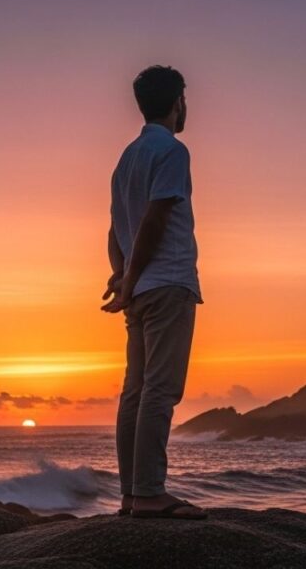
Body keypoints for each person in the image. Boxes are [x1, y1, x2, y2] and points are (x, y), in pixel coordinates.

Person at [101, 65, 206, 520]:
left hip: (141, 287)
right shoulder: (172, 151)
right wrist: (130, 275)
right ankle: (148, 494)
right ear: (177, 101)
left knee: (136, 391)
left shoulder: (126, 158)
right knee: (160, 390)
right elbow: (155, 218)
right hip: (167, 283)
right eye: (186, 99)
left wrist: (122, 273)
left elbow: (114, 227)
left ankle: (130, 495)